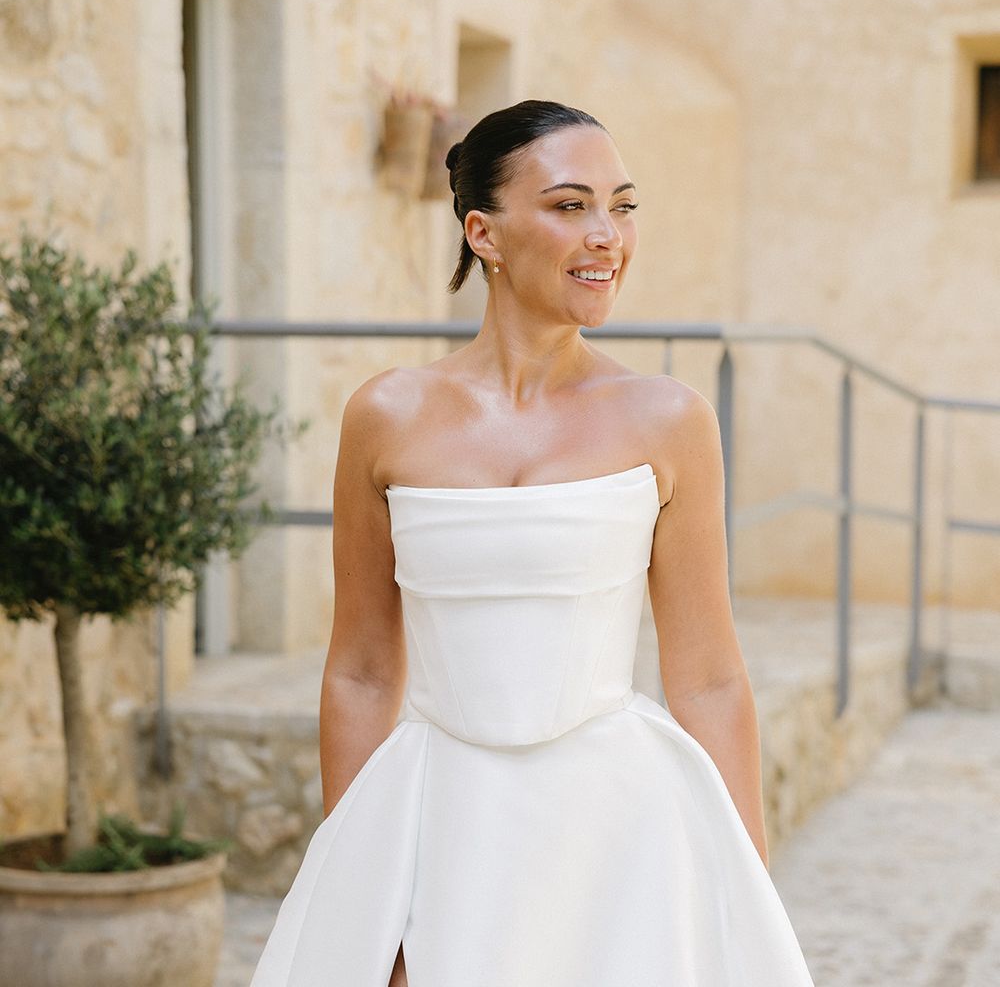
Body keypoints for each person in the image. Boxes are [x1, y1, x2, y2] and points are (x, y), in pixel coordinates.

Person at [251, 99, 815, 986]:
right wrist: (361, 885)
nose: (607, 236)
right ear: (484, 232)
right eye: (569, 206)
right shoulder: (384, 416)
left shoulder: (668, 421)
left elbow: (707, 675)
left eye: (623, 207)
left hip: (623, 834)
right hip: (441, 820)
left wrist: (742, 884)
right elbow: (360, 670)